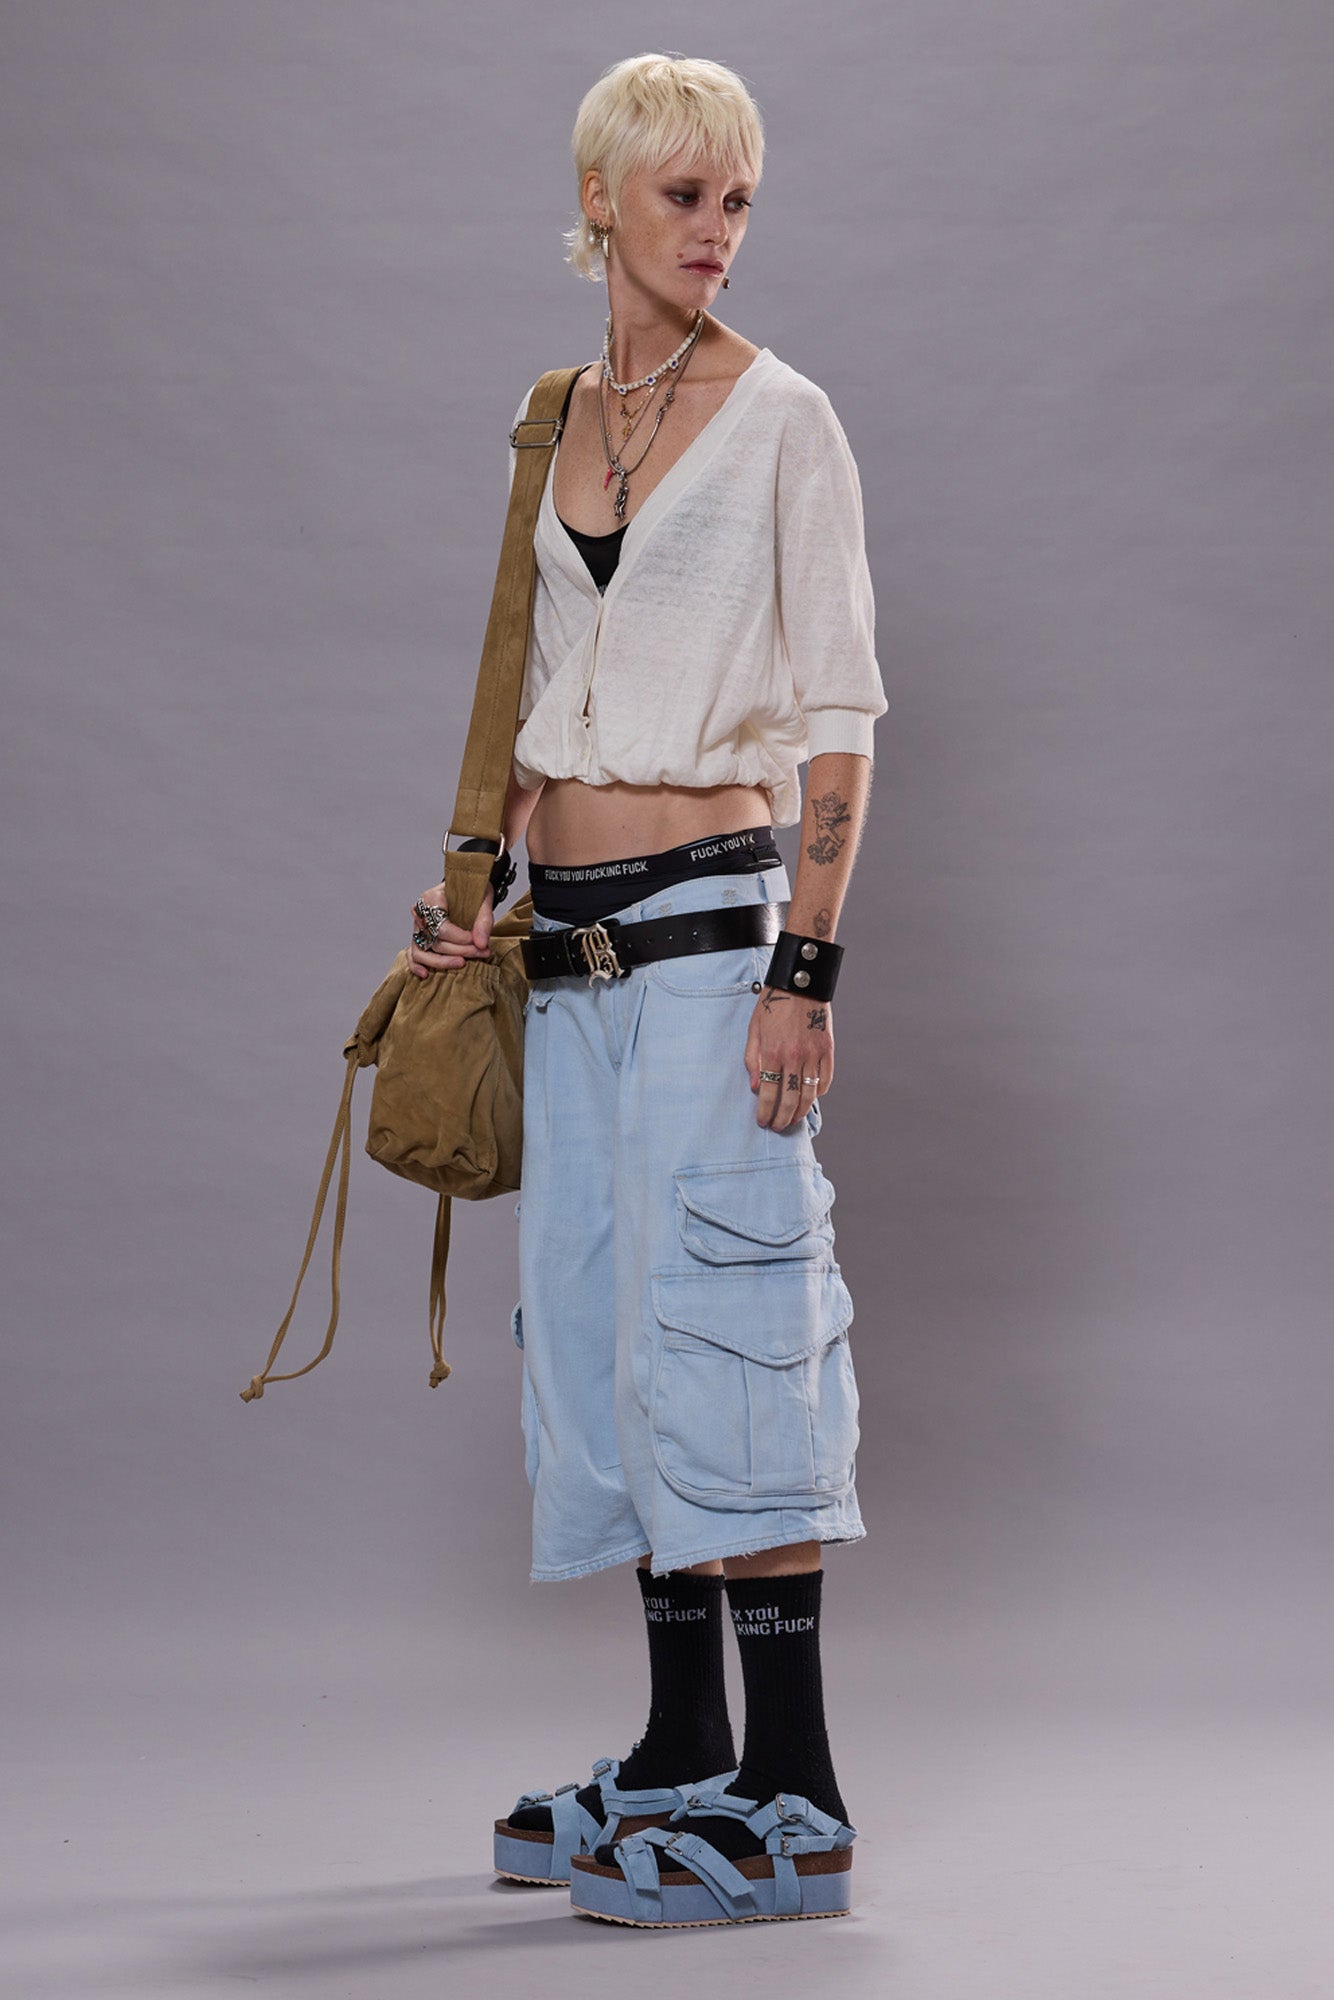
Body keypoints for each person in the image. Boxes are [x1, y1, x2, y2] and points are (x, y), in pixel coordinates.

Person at [408, 53, 887, 1927]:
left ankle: (800, 1794)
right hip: (570, 953)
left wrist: (803, 970)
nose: (715, 231)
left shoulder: (786, 420)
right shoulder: (558, 419)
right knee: (612, 1343)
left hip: (710, 945)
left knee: (735, 1326)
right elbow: (546, 700)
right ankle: (687, 1750)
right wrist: (484, 889)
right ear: (599, 198)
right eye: (683, 195)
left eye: (736, 200)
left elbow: (838, 718)